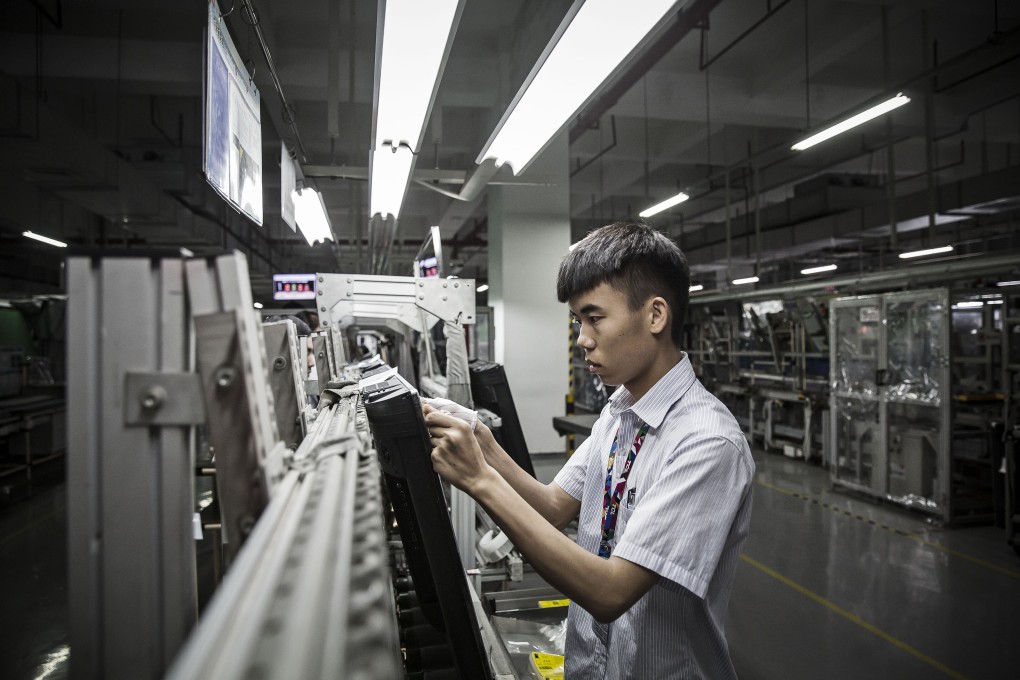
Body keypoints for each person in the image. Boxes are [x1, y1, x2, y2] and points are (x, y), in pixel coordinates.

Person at [424, 221, 754, 679]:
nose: (582, 338)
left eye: (594, 318)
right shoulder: (620, 412)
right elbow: (554, 507)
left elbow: (610, 592)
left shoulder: (706, 443)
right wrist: (483, 442)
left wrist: (479, 480)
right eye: (578, 322)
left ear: (655, 315)